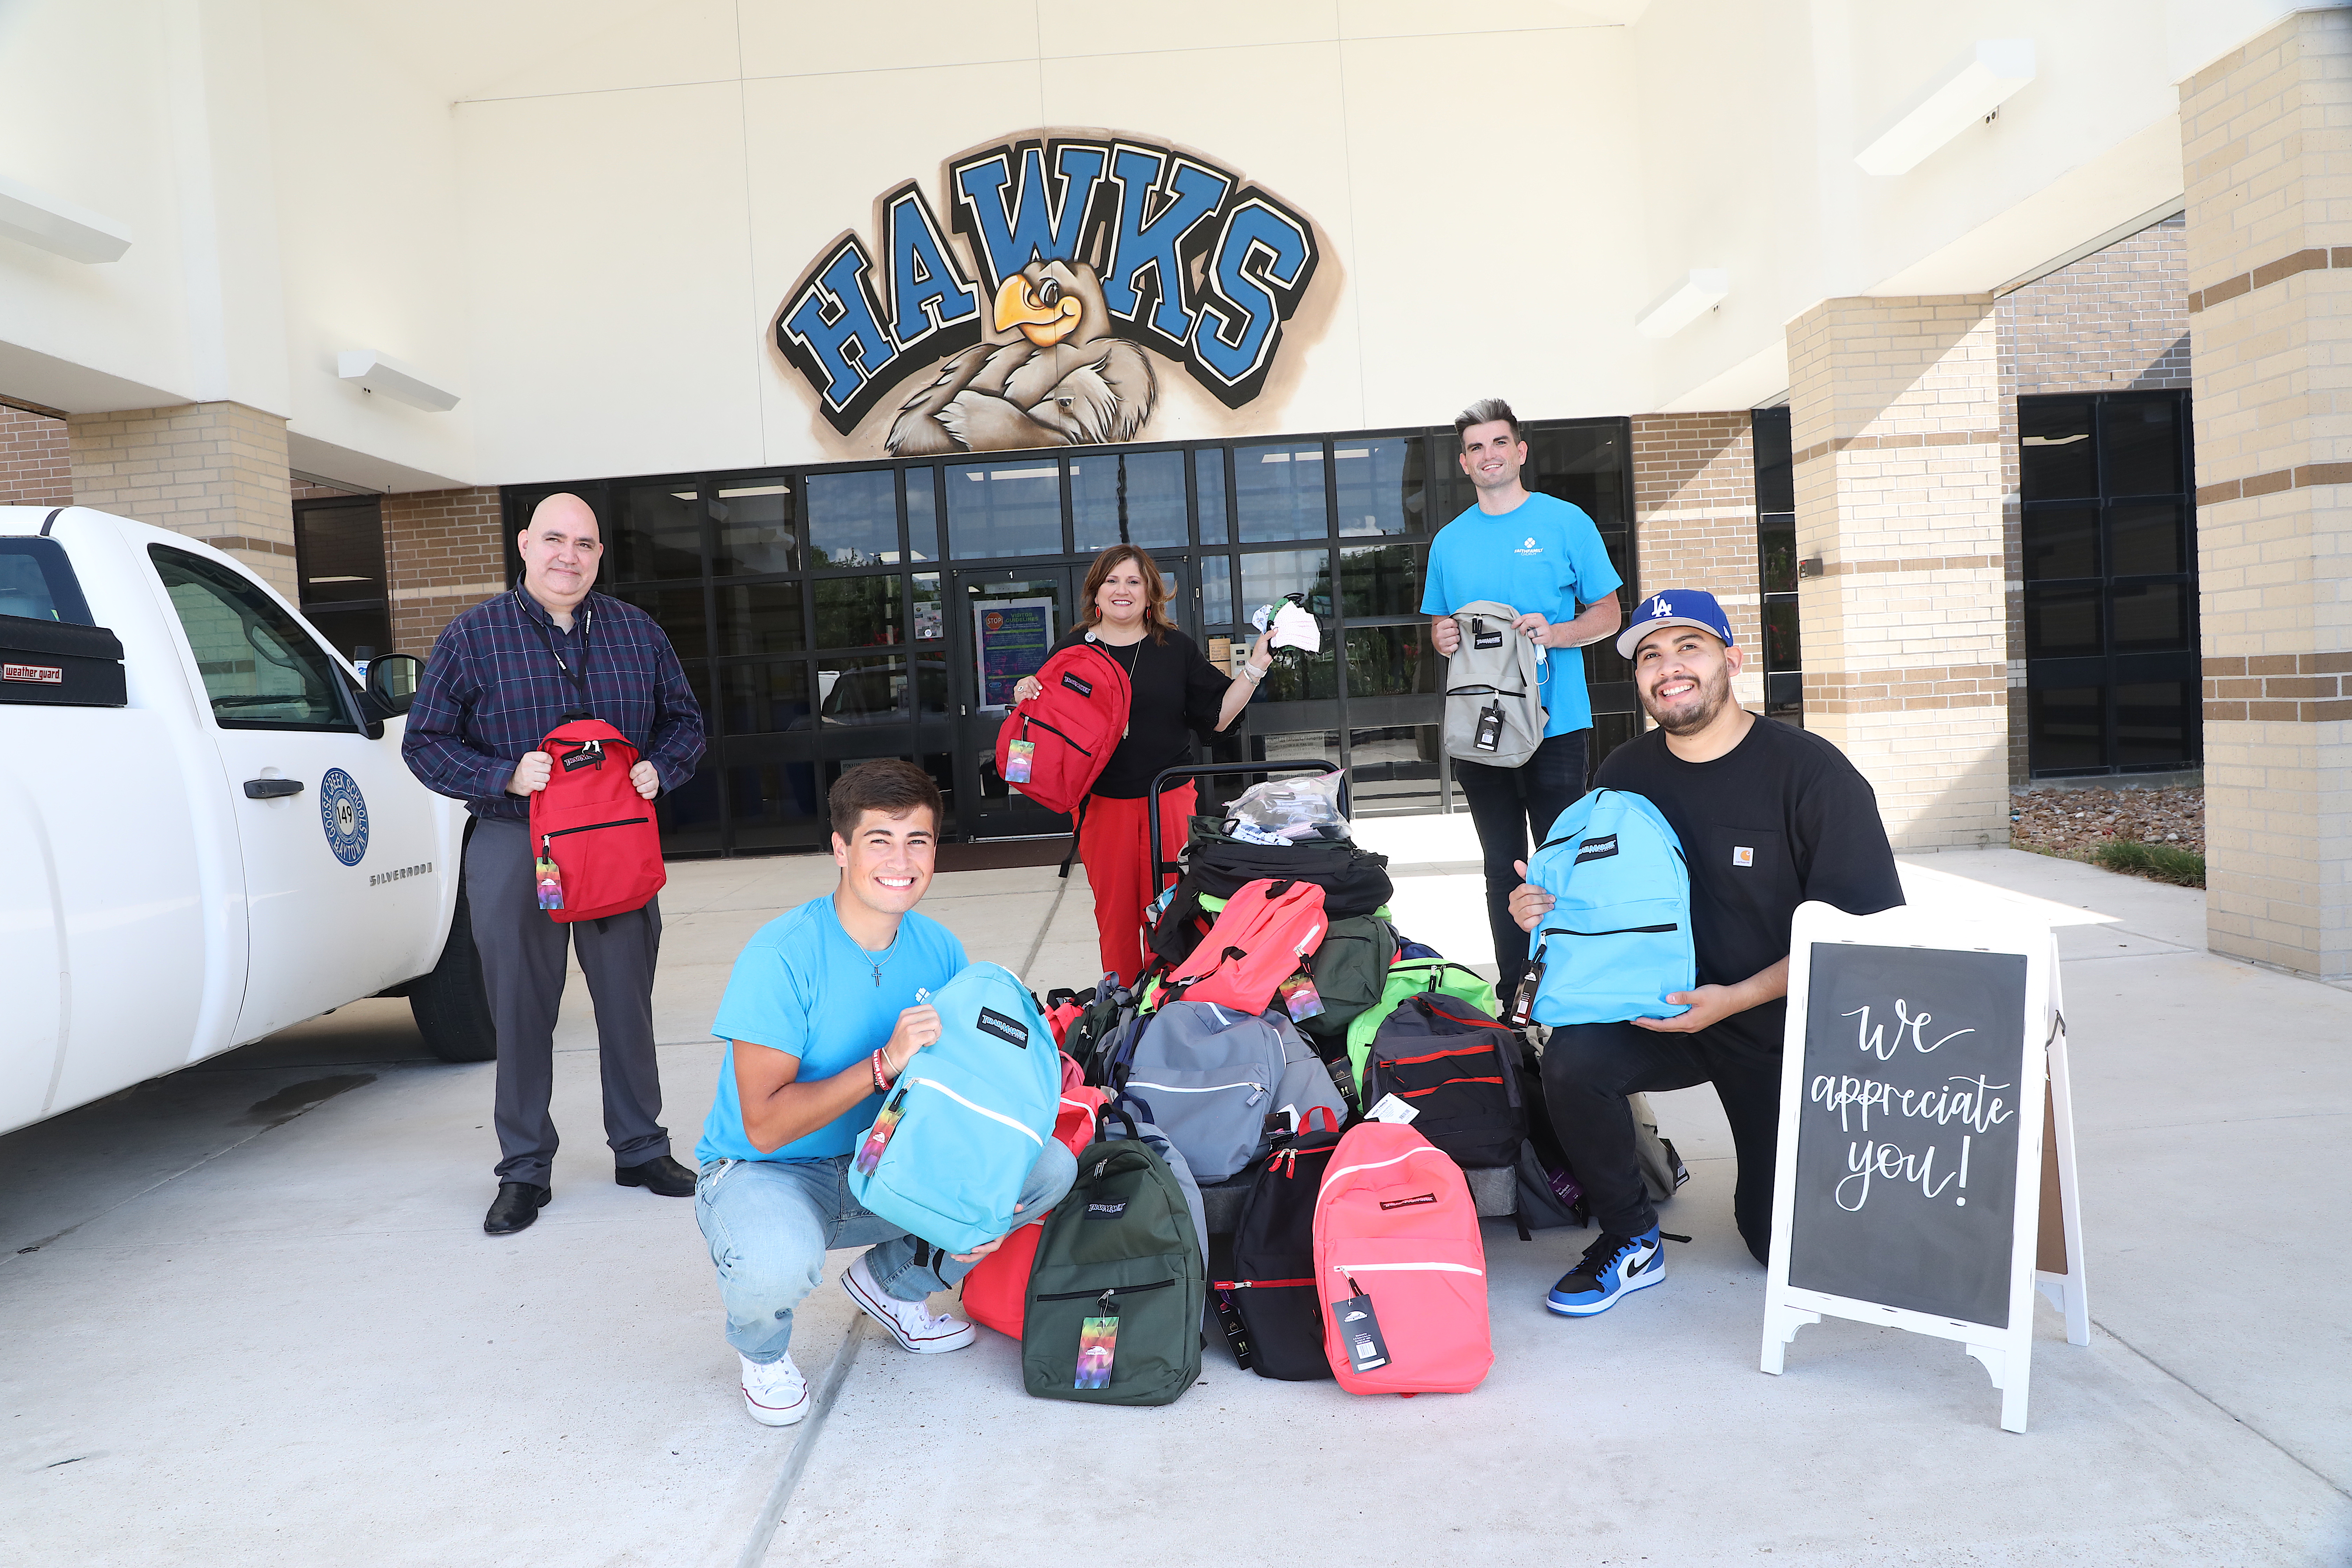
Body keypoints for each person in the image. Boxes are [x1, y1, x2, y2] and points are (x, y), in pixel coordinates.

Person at [1507, 588, 1903, 1317]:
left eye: (1688, 646)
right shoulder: (1624, 774)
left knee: (1773, 1240)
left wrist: (1738, 997)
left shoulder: (1812, 774)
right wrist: (1539, 907)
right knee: (1572, 1061)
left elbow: (1867, 931)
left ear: (1733, 658)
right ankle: (1631, 1237)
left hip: (1778, 1024)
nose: (1668, 668)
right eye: (1650, 655)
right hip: (1663, 1010)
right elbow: (1591, 895)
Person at [692, 761, 1077, 1426]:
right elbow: (763, 1127)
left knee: (1043, 1168)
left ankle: (894, 1287)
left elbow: (969, 1087)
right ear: (841, 850)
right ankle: (762, 1352)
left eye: (918, 842)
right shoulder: (781, 955)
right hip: (771, 1173)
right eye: (879, 840)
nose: (901, 861)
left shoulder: (941, 949)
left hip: (888, 1161)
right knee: (773, 1261)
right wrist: (882, 1065)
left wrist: (984, 1195)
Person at [403, 492, 707, 1237]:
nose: (568, 555)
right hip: (516, 842)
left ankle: (640, 1147)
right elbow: (425, 740)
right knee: (520, 1007)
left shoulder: (638, 632)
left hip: (615, 840)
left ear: (599, 555)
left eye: (585, 544)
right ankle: (525, 1167)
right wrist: (503, 775)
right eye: (554, 540)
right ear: (525, 545)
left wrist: (660, 770)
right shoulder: (474, 636)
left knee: (626, 1002)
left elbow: (685, 722)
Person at [1421, 397, 1624, 1004]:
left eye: (1499, 443)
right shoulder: (1449, 542)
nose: (1489, 455)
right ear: (1464, 462)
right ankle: (1516, 991)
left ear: (1520, 452)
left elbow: (1610, 614)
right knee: (1500, 864)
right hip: (1481, 730)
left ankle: (1571, 982)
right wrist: (1442, 636)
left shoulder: (1566, 523)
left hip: (1557, 724)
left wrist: (1557, 633)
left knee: (1561, 860)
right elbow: (1439, 630)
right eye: (1477, 448)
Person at [1009, 543, 1273, 986]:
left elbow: (1219, 717)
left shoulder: (1176, 650)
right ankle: (1122, 1009)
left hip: (1167, 801)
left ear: (1151, 595)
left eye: (1133, 581)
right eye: (1112, 581)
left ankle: (1166, 1002)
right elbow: (1044, 721)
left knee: (1170, 909)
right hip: (1102, 805)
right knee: (1115, 916)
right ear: (1096, 592)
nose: (1122, 590)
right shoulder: (1072, 651)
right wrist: (1026, 691)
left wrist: (1255, 669)